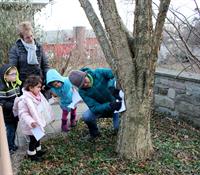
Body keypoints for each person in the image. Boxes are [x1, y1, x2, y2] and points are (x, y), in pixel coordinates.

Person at [68, 67, 122, 141]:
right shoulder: (82, 92)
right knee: (87, 116)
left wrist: (112, 86)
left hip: (118, 107)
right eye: (82, 85)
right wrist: (110, 105)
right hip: (107, 108)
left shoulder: (98, 73)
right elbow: (94, 108)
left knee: (118, 127)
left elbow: (115, 74)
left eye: (85, 81)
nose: (86, 84)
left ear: (85, 75)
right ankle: (94, 133)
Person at [13, 75, 54, 161]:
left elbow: (41, 106)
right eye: (38, 87)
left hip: (37, 121)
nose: (40, 89)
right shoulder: (24, 100)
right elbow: (23, 113)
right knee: (33, 139)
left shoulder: (37, 95)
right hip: (31, 125)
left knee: (38, 137)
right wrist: (31, 122)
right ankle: (31, 154)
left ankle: (38, 150)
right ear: (31, 88)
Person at [8, 21, 49, 90]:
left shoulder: (38, 47)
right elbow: (13, 69)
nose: (31, 39)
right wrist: (17, 85)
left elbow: (45, 66)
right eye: (27, 37)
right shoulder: (15, 49)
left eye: (31, 36)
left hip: (39, 84)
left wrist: (47, 81)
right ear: (22, 38)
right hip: (24, 85)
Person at [0, 64, 21, 154]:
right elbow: (2, 102)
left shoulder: (16, 84)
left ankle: (12, 144)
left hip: (15, 113)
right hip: (8, 114)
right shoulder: (2, 87)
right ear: (5, 76)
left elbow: (19, 95)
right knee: (10, 130)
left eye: (16, 74)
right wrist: (13, 105)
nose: (15, 76)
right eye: (12, 74)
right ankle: (9, 147)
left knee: (14, 129)